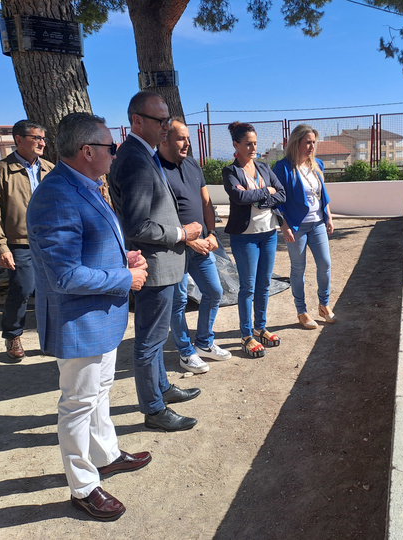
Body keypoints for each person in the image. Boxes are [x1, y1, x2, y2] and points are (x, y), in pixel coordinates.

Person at [26, 112, 151, 521]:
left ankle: (107, 454)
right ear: (87, 151)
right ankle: (83, 485)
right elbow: (64, 274)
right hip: (78, 321)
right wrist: (125, 277)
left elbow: (87, 247)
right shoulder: (56, 195)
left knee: (100, 392)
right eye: (111, 148)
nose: (115, 155)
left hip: (99, 316)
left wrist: (122, 257)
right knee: (78, 404)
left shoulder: (83, 186)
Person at [109, 91, 202, 432]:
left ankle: (162, 388)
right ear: (137, 120)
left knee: (158, 336)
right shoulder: (134, 159)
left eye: (167, 119)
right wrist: (181, 233)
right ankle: (153, 408)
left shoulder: (142, 154)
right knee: (149, 341)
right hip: (154, 267)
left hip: (164, 266)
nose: (166, 126)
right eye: (160, 120)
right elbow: (137, 225)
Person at [158, 119, 232, 373]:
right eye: (181, 138)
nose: (187, 143)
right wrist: (188, 239)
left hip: (203, 246)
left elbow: (206, 203)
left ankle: (203, 343)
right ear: (164, 139)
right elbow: (155, 216)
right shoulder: (155, 168)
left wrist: (212, 233)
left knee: (214, 292)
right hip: (173, 249)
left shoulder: (191, 165)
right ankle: (185, 352)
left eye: (188, 138)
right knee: (178, 301)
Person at [0, 119, 54, 360]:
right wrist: (0, 247)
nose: (42, 142)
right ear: (19, 140)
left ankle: (51, 337)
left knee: (52, 290)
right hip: (20, 243)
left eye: (43, 138)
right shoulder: (0, 171)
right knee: (22, 289)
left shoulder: (50, 169)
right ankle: (12, 335)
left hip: (50, 242)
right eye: (36, 138)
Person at [223, 122, 286, 358]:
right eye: (248, 144)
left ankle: (260, 328)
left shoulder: (264, 168)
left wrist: (261, 198)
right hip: (245, 237)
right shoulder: (230, 171)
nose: (253, 148)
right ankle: (247, 335)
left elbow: (282, 194)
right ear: (236, 145)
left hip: (269, 233)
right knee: (247, 288)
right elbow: (239, 197)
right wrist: (266, 192)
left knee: (265, 285)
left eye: (255, 144)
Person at [273, 124, 336, 329]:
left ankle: (323, 305)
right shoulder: (282, 167)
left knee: (325, 264)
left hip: (317, 222)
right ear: (296, 142)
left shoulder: (317, 164)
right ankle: (301, 311)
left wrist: (329, 216)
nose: (311, 146)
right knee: (298, 269)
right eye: (307, 142)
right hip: (296, 225)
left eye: (313, 142)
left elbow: (321, 194)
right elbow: (278, 200)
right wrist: (284, 225)